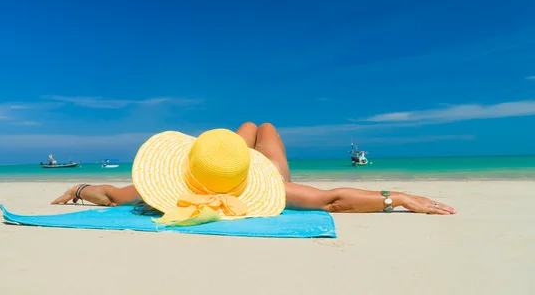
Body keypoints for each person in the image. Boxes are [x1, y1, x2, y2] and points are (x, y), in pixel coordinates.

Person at [52, 123, 457, 217]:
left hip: (241, 172)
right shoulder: (281, 192)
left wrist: (78, 187)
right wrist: (397, 198)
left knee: (247, 131)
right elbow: (332, 199)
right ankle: (237, 146)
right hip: (258, 178)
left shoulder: (149, 192)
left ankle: (232, 146)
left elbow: (107, 195)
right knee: (265, 130)